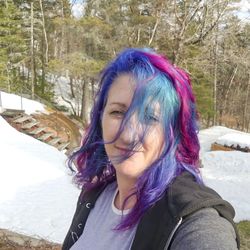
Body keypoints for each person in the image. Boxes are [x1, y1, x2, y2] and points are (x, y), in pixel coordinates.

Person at [62, 48, 240, 250]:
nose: (128, 135)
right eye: (118, 112)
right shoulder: (95, 195)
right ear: (100, 118)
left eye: (150, 118)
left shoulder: (193, 221)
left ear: (173, 132)